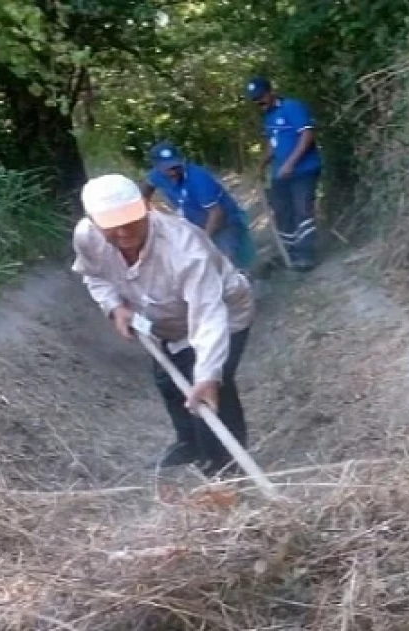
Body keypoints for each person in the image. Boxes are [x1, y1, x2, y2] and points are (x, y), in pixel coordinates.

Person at [71, 173, 255, 474]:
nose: (123, 231)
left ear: (147, 206)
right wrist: (115, 307)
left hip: (224, 314)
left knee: (209, 390)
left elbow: (209, 314)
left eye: (130, 218)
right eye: (111, 223)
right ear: (93, 221)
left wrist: (208, 375)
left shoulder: (184, 249)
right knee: (169, 382)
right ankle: (190, 444)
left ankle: (224, 469)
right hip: (165, 319)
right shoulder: (87, 237)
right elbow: (94, 275)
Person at [140, 140, 257, 272]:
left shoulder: (199, 178)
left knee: (227, 261)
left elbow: (217, 213)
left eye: (175, 166)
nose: (173, 172)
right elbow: (147, 187)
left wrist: (204, 239)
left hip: (225, 221)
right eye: (167, 169)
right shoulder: (157, 176)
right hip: (195, 222)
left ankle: (248, 283)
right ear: (157, 167)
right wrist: (144, 209)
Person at [246, 76, 322, 272]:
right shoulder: (268, 117)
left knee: (302, 210)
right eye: (254, 100)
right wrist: (261, 166)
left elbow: (307, 135)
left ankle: (306, 255)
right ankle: (289, 251)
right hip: (281, 173)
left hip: (304, 170)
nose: (258, 102)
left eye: (261, 97)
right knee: (281, 211)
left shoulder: (292, 107)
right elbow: (273, 145)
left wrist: (291, 163)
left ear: (270, 92)